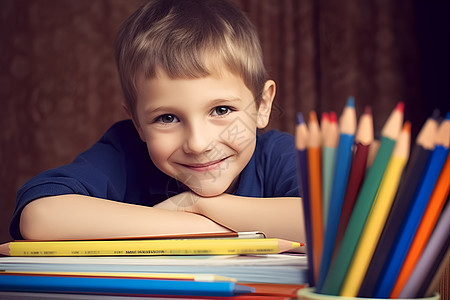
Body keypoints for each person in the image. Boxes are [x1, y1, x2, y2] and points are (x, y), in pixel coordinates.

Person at [10, 0, 305, 247]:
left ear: (262, 105)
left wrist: (197, 203)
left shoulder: (276, 156)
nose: (198, 144)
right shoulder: (125, 151)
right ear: (138, 123)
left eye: (221, 110)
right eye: (167, 118)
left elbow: (328, 223)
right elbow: (40, 215)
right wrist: (205, 228)